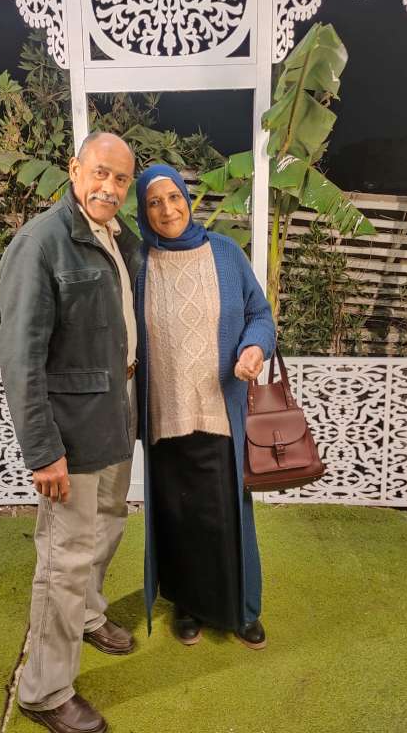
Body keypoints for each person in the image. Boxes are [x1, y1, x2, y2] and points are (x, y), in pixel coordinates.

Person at [0, 131, 142, 733]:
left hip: (117, 413)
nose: (110, 187)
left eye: (121, 179)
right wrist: (43, 451)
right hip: (71, 432)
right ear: (75, 169)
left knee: (108, 523)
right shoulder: (41, 243)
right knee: (64, 556)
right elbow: (20, 358)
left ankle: (88, 615)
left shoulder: (120, 239)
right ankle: (45, 688)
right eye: (100, 173)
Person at [134, 164, 276, 649]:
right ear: (144, 211)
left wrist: (253, 348)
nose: (167, 210)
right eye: (154, 202)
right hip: (164, 414)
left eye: (174, 197)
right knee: (177, 517)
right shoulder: (138, 262)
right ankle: (188, 605)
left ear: (187, 199)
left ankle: (242, 608)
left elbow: (260, 315)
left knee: (226, 514)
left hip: (220, 410)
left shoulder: (226, 253)